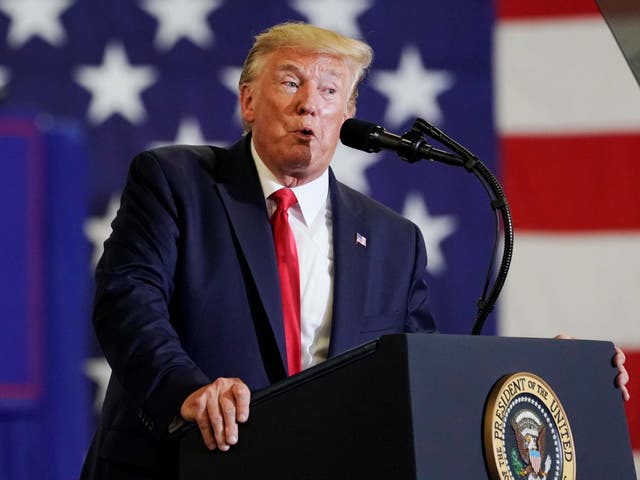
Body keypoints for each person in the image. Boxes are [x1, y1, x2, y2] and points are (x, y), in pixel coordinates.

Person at [81, 22, 629, 480]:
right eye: (290, 83)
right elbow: (128, 303)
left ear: (348, 112)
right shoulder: (176, 182)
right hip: (181, 464)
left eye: (328, 91)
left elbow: (424, 374)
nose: (308, 107)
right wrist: (191, 391)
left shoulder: (393, 239)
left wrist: (549, 372)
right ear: (248, 101)